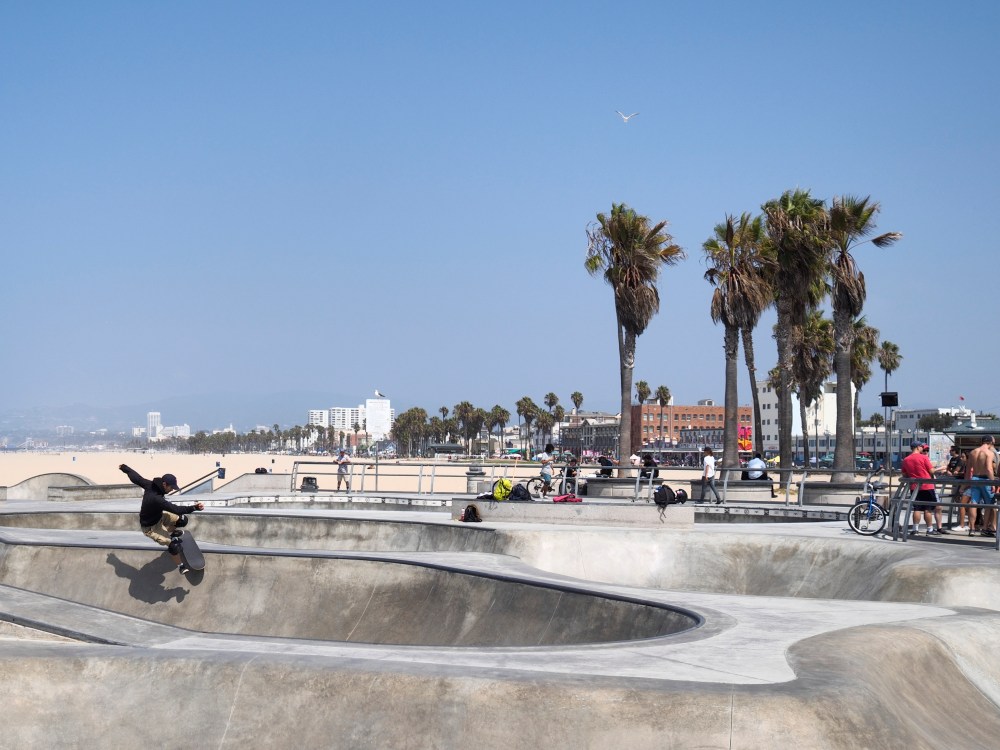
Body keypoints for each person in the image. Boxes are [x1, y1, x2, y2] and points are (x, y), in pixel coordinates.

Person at [120, 464, 205, 575]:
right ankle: (181, 566)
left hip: (159, 516)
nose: (171, 490)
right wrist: (194, 508)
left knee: (182, 520)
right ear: (164, 484)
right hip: (151, 528)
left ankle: (171, 533)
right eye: (171, 487)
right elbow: (176, 509)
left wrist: (126, 469)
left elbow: (137, 478)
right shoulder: (156, 499)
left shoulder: (150, 484)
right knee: (174, 546)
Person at [901, 441, 946, 536]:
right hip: (927, 486)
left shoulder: (906, 459)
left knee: (917, 508)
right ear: (918, 447)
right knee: (927, 509)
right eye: (921, 447)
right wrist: (941, 468)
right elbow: (931, 471)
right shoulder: (924, 457)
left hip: (914, 487)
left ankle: (915, 530)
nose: (922, 448)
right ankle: (929, 530)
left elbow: (904, 474)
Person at [963, 435, 997, 537]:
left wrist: (966, 483)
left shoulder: (973, 452)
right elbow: (989, 469)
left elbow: (968, 470)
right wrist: (993, 483)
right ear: (990, 443)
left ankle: (972, 528)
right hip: (985, 479)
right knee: (988, 505)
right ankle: (985, 528)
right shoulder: (989, 453)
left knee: (973, 503)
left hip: (974, 478)